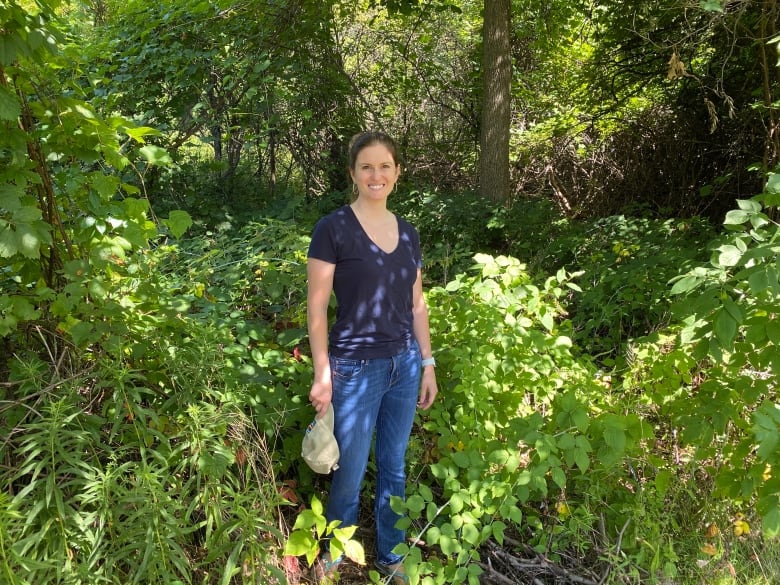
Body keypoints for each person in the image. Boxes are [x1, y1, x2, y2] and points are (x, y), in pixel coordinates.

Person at [306, 131, 438, 584]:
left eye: (384, 166)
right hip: (354, 368)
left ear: (397, 173)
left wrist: (427, 362)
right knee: (350, 468)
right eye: (366, 167)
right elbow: (317, 308)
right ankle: (336, 552)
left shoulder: (408, 233)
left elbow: (417, 303)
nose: (375, 175)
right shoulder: (334, 229)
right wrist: (322, 373)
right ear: (353, 174)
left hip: (404, 364)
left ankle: (392, 555)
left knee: (395, 464)